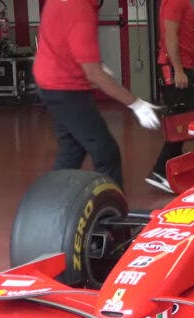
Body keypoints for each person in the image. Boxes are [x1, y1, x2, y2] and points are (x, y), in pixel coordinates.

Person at [33, 0, 161, 188]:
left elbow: (63, 39)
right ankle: (112, 207)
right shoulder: (80, 11)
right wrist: (136, 104)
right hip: (65, 88)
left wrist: (92, 64)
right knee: (105, 151)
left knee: (72, 148)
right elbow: (94, 74)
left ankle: (53, 199)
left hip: (50, 81)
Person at [145, 0, 194, 194]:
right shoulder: (175, 1)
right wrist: (178, 70)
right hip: (174, 68)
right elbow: (170, 36)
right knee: (179, 123)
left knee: (184, 122)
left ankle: (173, 172)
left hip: (183, 64)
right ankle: (160, 171)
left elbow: (182, 34)